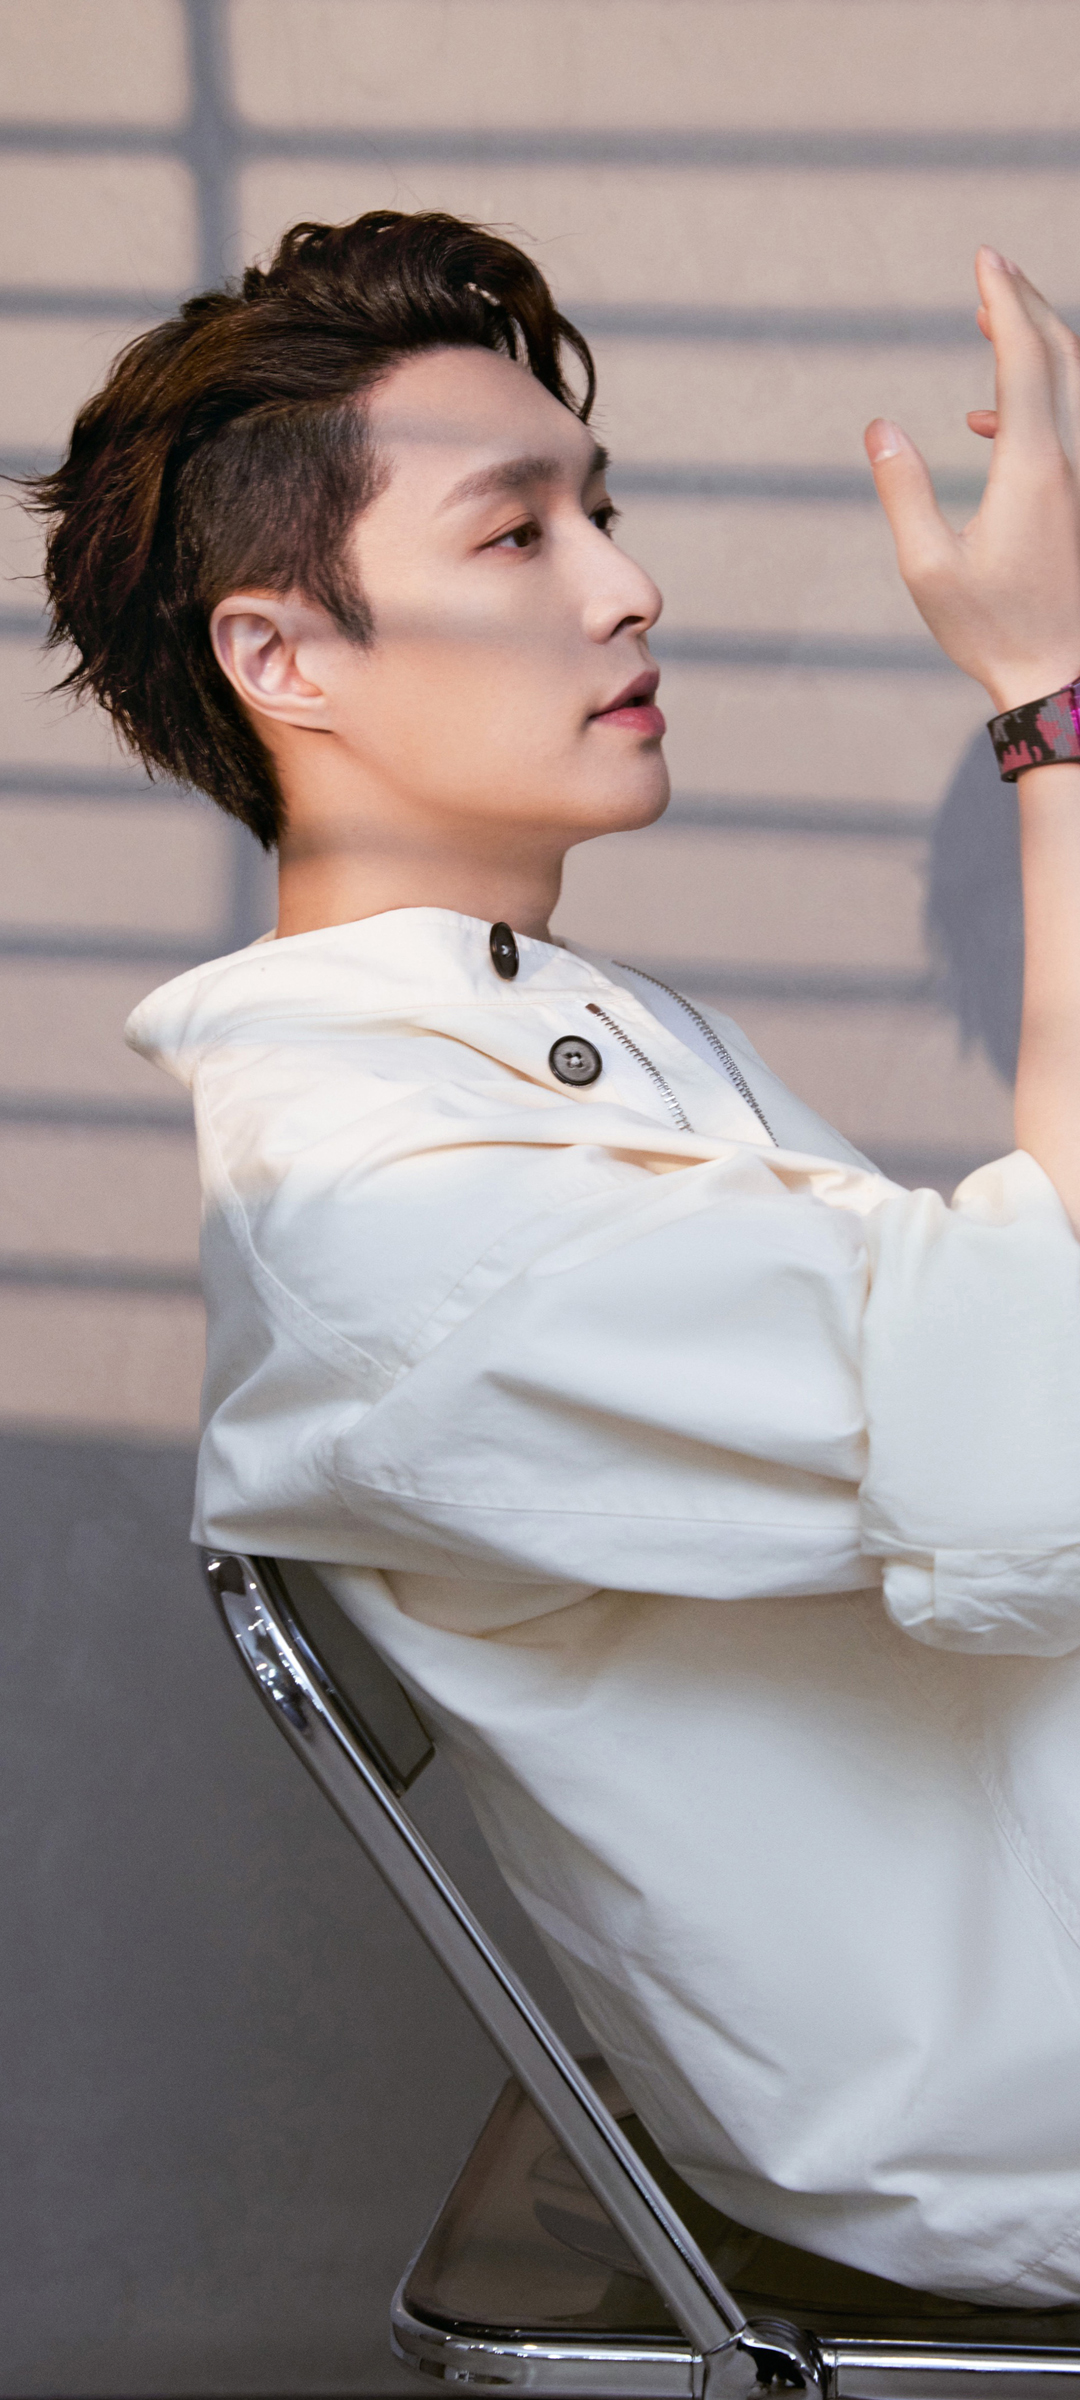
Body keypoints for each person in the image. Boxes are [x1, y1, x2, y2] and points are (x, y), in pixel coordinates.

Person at [30, 212, 1080, 2304]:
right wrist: (1050, 710)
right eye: (516, 535)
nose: (624, 584)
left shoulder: (533, 1038)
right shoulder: (390, 1208)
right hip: (1020, 2069)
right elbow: (1046, 1414)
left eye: (600, 510)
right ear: (285, 657)